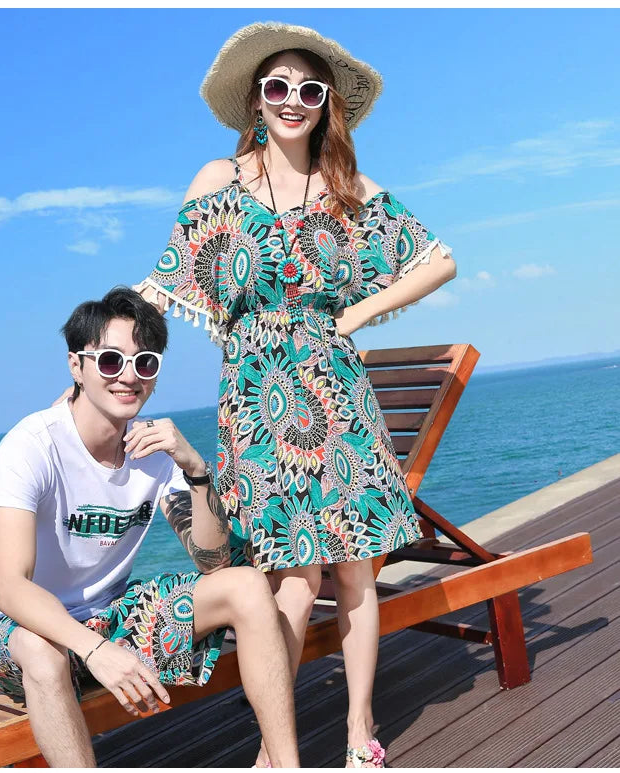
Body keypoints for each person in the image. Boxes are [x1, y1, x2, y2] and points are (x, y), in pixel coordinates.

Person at [134, 22, 457, 768]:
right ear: (256, 98)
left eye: (309, 90)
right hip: (254, 398)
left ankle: (357, 731)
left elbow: (437, 260)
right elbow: (167, 283)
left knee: (351, 568)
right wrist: (105, 370)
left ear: (326, 106)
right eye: (277, 86)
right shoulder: (219, 181)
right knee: (286, 570)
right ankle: (275, 748)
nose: (292, 100)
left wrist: (354, 314)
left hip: (336, 392)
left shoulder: (347, 190)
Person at [0, 286, 300, 768]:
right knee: (40, 649)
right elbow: (11, 590)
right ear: (76, 366)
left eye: (145, 363)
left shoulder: (153, 450)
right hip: (17, 633)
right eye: (109, 361)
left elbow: (214, 562)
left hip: (108, 615)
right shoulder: (31, 445)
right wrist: (97, 651)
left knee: (247, 585)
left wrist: (195, 468)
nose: (129, 377)